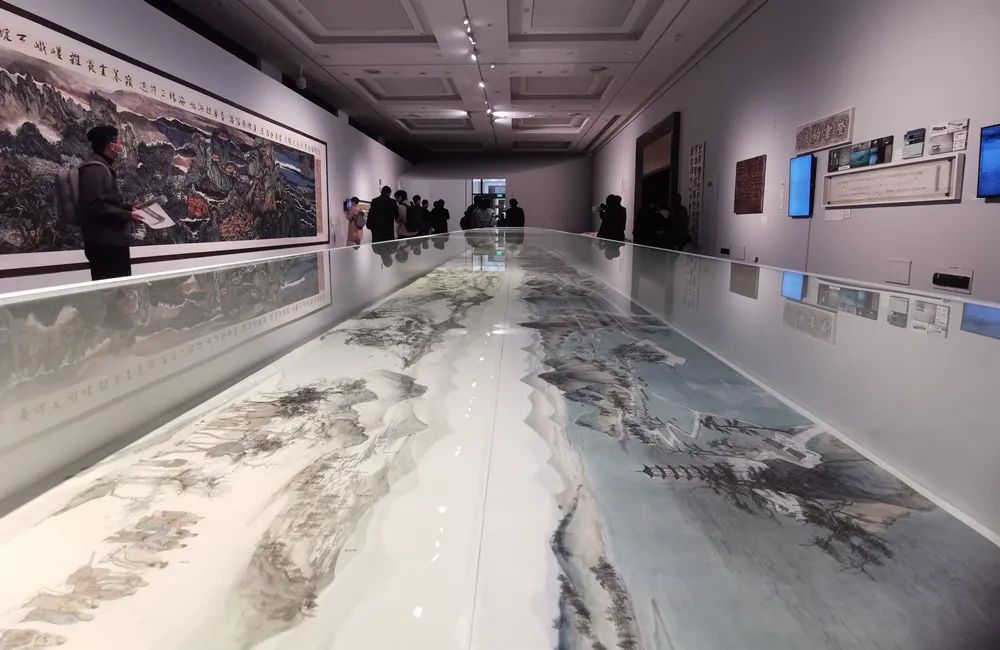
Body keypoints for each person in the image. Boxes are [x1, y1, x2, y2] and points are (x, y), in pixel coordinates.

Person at [79, 125, 140, 280]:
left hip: (110, 243)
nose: (122, 145)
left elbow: (106, 202)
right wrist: (128, 215)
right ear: (111, 145)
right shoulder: (94, 169)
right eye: (120, 142)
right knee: (113, 290)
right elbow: (96, 206)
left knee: (119, 287)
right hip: (105, 245)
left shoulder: (101, 166)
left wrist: (129, 208)